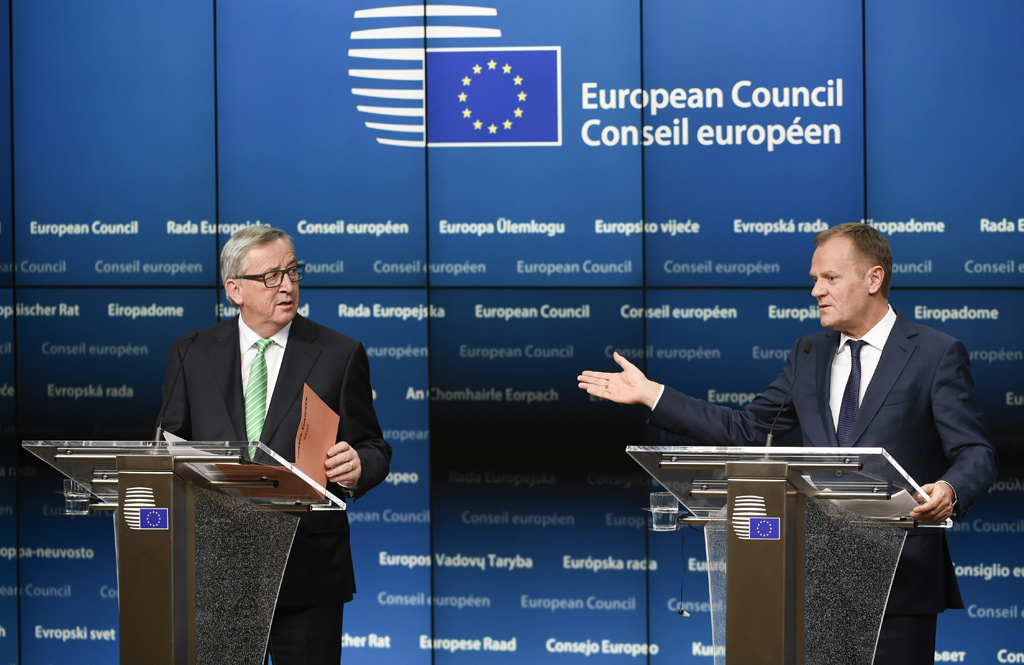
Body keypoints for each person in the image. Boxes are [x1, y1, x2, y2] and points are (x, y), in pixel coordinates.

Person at [578, 222, 997, 665]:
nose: (816, 290)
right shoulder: (809, 352)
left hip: (898, 582)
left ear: (874, 279)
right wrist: (651, 394)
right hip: (811, 582)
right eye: (814, 279)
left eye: (830, 278)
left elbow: (976, 453)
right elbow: (745, 431)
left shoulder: (935, 353)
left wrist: (948, 490)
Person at [158, 225, 392, 664]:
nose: (286, 285)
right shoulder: (192, 352)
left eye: (292, 272)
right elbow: (167, 446)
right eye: (270, 276)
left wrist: (359, 464)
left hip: (307, 571)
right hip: (219, 573)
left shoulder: (340, 353)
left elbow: (373, 446)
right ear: (234, 290)